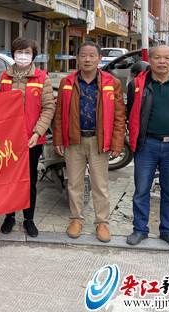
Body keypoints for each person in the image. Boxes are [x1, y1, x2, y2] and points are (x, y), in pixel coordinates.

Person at [52, 41, 125, 242]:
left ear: (100, 59)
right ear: (77, 58)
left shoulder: (112, 82)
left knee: (100, 184)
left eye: (92, 55)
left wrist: (117, 142)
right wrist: (58, 138)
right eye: (83, 55)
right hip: (74, 140)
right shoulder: (67, 82)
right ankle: (76, 219)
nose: (87, 59)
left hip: (98, 141)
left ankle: (102, 223)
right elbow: (59, 113)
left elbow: (119, 115)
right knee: (74, 183)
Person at [126, 45, 169, 251]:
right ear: (150, 60)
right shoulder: (137, 84)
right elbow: (130, 112)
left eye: (167, 58)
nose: (162, 62)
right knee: (141, 190)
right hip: (147, 145)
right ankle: (140, 229)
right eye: (157, 57)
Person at [0, 37, 55, 237]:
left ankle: (29, 219)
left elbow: (48, 108)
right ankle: (9, 216)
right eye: (19, 52)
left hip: (31, 139)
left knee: (29, 181)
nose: (22, 56)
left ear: (33, 55)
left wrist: (37, 132)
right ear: (13, 54)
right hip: (8, 140)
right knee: (8, 180)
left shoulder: (42, 78)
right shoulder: (4, 77)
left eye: (27, 52)